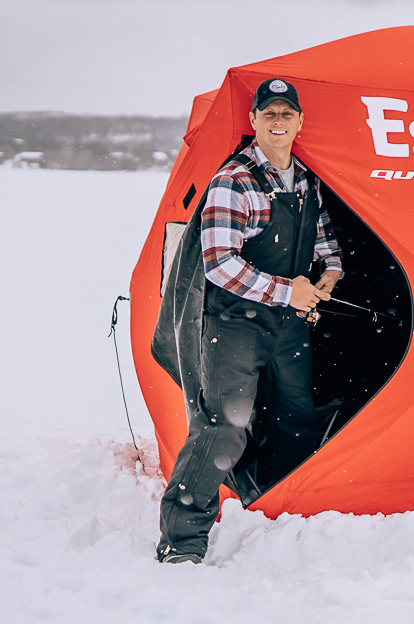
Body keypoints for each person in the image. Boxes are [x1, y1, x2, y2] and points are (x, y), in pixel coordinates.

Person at [156, 78, 342, 564]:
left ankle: (282, 509)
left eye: (286, 113)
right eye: (269, 113)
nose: (279, 121)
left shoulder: (307, 181)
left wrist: (329, 274)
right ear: (254, 121)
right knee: (225, 425)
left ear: (300, 122)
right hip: (236, 324)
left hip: (291, 324)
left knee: (296, 416)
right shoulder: (234, 181)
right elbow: (219, 264)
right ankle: (182, 539)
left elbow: (326, 244)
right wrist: (287, 290)